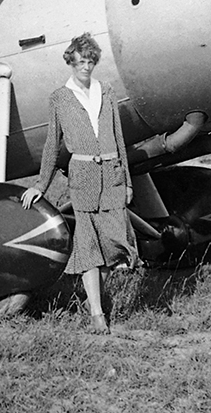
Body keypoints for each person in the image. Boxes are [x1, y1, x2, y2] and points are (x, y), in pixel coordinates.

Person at [21, 32, 137, 333]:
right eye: (80, 61)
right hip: (82, 177)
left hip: (110, 174)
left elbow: (119, 138)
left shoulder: (107, 91)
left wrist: (125, 180)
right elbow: (51, 145)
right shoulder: (59, 98)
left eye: (90, 61)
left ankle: (94, 298)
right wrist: (40, 185)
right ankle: (97, 312)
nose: (86, 66)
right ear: (71, 62)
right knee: (87, 245)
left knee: (115, 241)